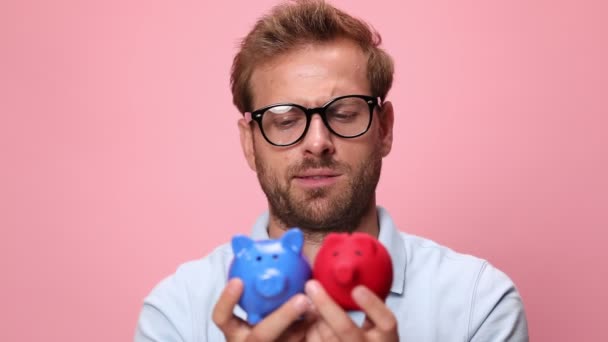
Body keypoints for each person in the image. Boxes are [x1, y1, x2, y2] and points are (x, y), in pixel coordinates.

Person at [134, 1, 529, 341]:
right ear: (249, 144)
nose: (318, 142)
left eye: (343, 113)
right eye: (286, 120)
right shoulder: (178, 311)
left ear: (384, 129)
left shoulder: (479, 302)